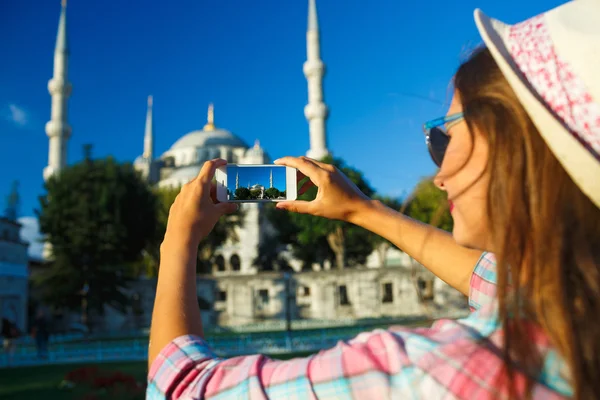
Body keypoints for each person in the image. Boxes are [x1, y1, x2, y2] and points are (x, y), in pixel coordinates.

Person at [147, 1, 600, 399]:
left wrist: (177, 243)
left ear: (515, 146)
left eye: (445, 137)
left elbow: (180, 387)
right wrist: (360, 209)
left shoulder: (427, 374)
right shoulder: (576, 314)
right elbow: (493, 277)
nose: (438, 177)